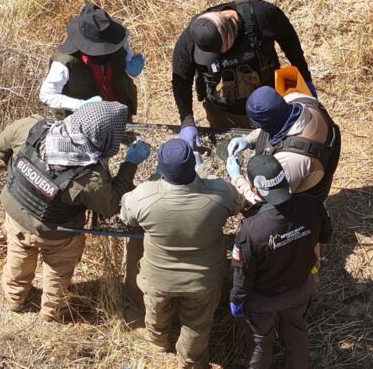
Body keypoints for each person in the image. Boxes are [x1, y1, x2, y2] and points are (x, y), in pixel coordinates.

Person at [0, 101, 150, 321]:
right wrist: (129, 164)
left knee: (18, 256)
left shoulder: (32, 127)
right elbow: (112, 205)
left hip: (16, 215)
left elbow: (0, 147)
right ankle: (52, 312)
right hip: (56, 233)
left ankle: (14, 298)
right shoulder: (89, 178)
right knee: (58, 271)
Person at [121, 138, 244, 369]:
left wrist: (150, 183)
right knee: (197, 324)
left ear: (161, 167)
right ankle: (191, 361)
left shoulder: (143, 196)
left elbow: (126, 216)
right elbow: (239, 203)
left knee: (156, 312)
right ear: (194, 165)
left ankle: (158, 343)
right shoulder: (220, 193)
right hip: (203, 280)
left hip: (158, 277)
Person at [229, 154, 327, 369]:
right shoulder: (312, 205)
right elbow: (324, 236)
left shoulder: (252, 229)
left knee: (260, 341)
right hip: (300, 288)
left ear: (254, 190)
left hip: (263, 300)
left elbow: (243, 272)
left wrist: (237, 299)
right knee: (297, 333)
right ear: (284, 180)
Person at [172, 0, 314, 146]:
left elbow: (290, 42)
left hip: (268, 105)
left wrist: (305, 78)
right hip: (224, 113)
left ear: (230, 35)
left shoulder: (262, 16)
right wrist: (187, 121)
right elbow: (181, 81)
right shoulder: (190, 38)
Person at [225, 86, 339, 242]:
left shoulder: (289, 161)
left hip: (304, 196)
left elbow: (263, 198)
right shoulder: (297, 99)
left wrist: (237, 177)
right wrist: (249, 139)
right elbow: (275, 122)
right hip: (314, 162)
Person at [39, 3, 145, 119]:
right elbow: (47, 95)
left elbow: (128, 61)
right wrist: (78, 104)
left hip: (120, 114)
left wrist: (132, 68)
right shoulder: (65, 61)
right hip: (84, 122)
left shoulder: (117, 41)